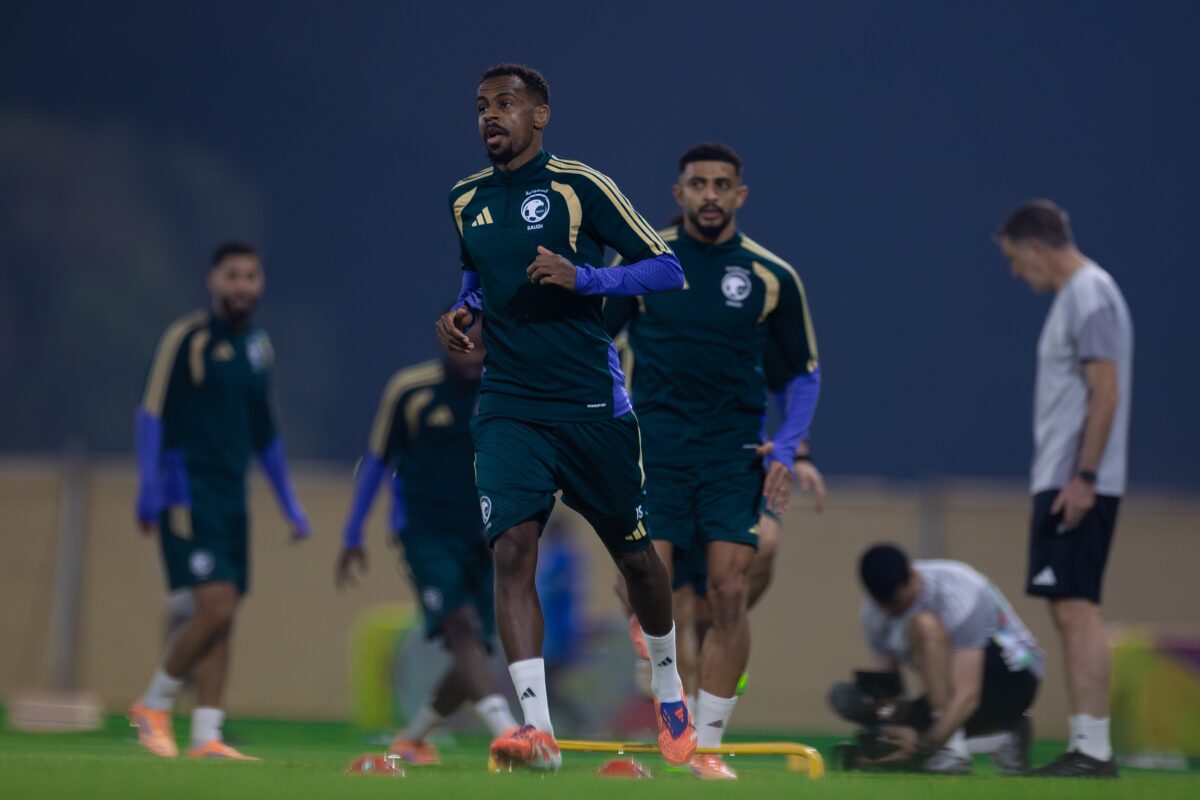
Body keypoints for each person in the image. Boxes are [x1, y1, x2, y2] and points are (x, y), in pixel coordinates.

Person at [433, 63, 693, 771]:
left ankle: (669, 682)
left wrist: (587, 278)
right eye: (481, 106)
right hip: (509, 403)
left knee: (638, 562)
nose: (491, 116)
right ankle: (538, 733)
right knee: (512, 552)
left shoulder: (581, 186)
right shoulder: (465, 199)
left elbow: (666, 268)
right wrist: (463, 311)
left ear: (540, 115)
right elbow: (477, 276)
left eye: (506, 104)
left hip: (589, 404)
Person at [603, 143, 822, 779]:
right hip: (656, 454)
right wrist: (606, 411)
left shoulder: (770, 276)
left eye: (721, 184)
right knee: (646, 582)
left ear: (739, 195)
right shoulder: (644, 261)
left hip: (731, 458)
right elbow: (594, 339)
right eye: (697, 184)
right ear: (679, 194)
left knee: (729, 595)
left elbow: (802, 375)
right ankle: (659, 666)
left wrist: (790, 449)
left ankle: (708, 748)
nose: (709, 195)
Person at [128, 242, 310, 760]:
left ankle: (206, 735)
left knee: (226, 614)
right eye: (233, 275)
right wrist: (148, 485)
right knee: (215, 606)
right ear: (213, 281)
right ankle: (153, 704)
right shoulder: (187, 337)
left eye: (251, 276)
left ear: (261, 283)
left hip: (232, 496)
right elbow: (150, 412)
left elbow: (266, 433)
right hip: (188, 491)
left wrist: (290, 504)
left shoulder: (257, 347)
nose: (242, 285)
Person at [335, 323, 518, 764]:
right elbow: (377, 461)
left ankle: (412, 739)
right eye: (465, 343)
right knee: (461, 628)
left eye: (483, 344)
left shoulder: (503, 390)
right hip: (423, 532)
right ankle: (510, 733)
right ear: (447, 340)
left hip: (484, 537)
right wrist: (353, 533)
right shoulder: (410, 390)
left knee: (477, 650)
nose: (474, 353)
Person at [997, 200, 1133, 778]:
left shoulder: (1089, 293)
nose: (1015, 272)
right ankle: (1087, 745)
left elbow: (1107, 390)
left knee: (1077, 608)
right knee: (1069, 607)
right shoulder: (1078, 297)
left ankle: (1093, 750)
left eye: (1014, 259)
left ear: (1035, 247)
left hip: (1074, 481)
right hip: (1064, 476)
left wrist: (1084, 477)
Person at [839, 544, 1043, 775]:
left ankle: (953, 747)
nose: (892, 612)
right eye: (885, 606)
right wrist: (878, 722)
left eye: (897, 603)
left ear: (912, 576)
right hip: (951, 693)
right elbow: (890, 686)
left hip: (1012, 678)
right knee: (898, 734)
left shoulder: (958, 590)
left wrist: (926, 748)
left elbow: (968, 696)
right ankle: (1002, 738)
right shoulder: (874, 612)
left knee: (923, 624)